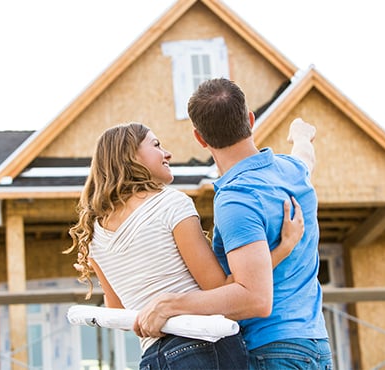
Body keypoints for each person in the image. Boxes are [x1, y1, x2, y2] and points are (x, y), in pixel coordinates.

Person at [66, 122, 305, 369]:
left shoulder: (94, 233)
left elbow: (118, 311)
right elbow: (222, 288)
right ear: (130, 156)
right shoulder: (170, 203)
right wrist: (283, 248)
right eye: (156, 145)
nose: (167, 153)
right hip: (203, 348)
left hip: (152, 358)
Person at [134, 78, 333, 369]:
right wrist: (301, 136)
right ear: (250, 120)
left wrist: (171, 304)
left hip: (271, 350)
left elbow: (254, 299)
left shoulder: (237, 200)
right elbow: (305, 156)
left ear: (200, 138)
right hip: (314, 346)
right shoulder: (292, 171)